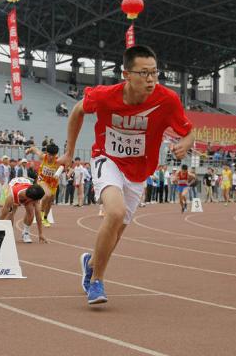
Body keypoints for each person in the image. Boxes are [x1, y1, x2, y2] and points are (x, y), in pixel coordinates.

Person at [56, 45, 193, 305]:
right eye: (144, 73)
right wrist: (69, 152)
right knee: (115, 213)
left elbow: (188, 131)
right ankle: (96, 281)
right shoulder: (106, 95)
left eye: (155, 73)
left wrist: (186, 143)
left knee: (117, 231)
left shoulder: (167, 100)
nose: (151, 79)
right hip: (107, 159)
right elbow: (77, 111)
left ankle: (91, 262)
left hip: (139, 171)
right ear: (126, 75)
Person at [0, 177, 47, 243]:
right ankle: (9, 232)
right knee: (11, 212)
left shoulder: (34, 197)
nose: (37, 201)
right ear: (31, 199)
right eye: (37, 200)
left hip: (26, 184)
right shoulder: (11, 196)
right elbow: (3, 214)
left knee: (31, 213)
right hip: (14, 185)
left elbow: (38, 215)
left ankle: (26, 233)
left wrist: (40, 234)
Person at [26, 144, 61, 230]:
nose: (51, 157)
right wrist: (28, 150)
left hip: (53, 184)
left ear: (56, 155)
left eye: (53, 155)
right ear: (46, 153)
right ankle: (40, 214)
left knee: (49, 202)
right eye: (49, 155)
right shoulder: (43, 157)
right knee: (47, 195)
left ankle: (45, 218)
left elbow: (68, 164)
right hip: (42, 180)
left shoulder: (58, 161)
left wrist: (69, 172)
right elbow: (34, 148)